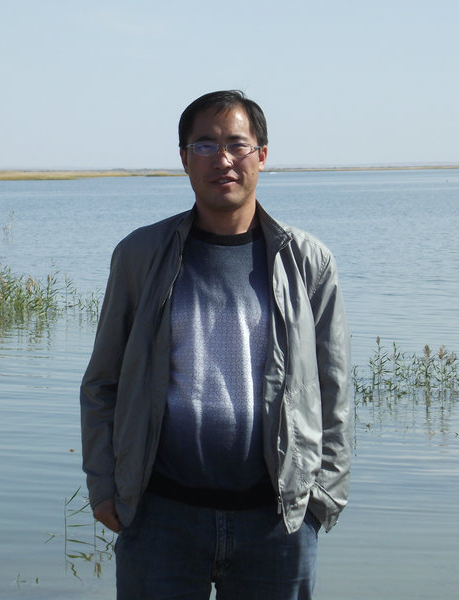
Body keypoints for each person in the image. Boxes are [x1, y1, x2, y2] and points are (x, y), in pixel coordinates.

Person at [80, 90, 352, 600]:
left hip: (278, 523)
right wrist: (104, 487)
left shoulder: (307, 262)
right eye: (204, 145)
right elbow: (102, 383)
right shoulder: (141, 255)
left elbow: (334, 389)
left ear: (262, 155)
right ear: (184, 158)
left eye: (236, 144)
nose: (222, 159)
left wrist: (322, 497)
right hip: (160, 517)